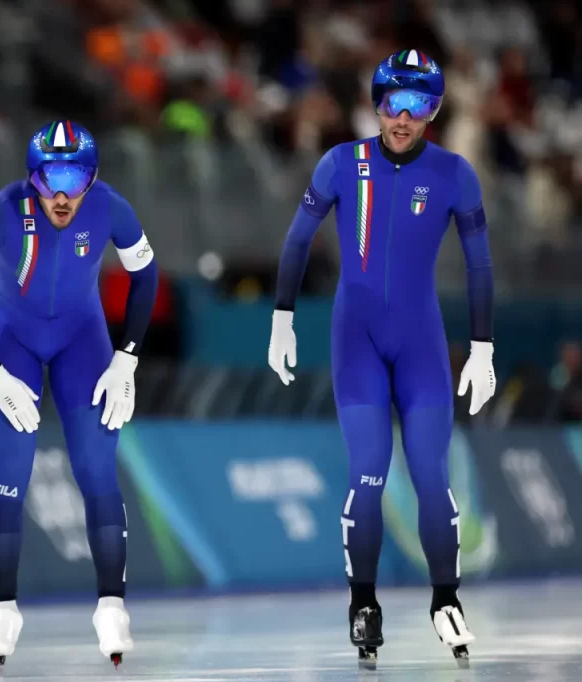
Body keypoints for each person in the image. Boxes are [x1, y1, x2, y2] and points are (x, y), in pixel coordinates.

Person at [267, 50, 495, 670]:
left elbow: (479, 264)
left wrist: (482, 348)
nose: (403, 118)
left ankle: (446, 599)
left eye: (419, 106)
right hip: (358, 342)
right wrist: (283, 317)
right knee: (368, 474)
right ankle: (363, 603)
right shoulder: (341, 163)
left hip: (421, 345)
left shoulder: (454, 174)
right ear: (376, 104)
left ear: (435, 112)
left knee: (431, 478)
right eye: (394, 103)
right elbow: (297, 240)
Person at [0, 121, 159, 671]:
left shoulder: (110, 207)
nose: (61, 196)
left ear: (92, 179)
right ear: (31, 178)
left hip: (83, 339)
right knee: (9, 473)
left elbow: (147, 276)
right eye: (48, 180)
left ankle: (112, 606)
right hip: (10, 339)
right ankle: (2, 610)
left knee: (97, 470)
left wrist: (127, 357)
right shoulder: (5, 210)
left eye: (73, 180)